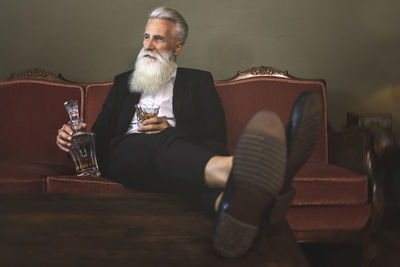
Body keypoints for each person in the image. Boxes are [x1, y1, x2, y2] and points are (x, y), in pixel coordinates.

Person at [56, 7, 322, 258]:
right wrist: (71, 140)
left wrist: (173, 129)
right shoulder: (123, 83)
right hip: (127, 156)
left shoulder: (199, 81)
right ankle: (243, 171)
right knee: (148, 144)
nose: (148, 45)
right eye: (146, 37)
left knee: (180, 164)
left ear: (178, 47)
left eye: (158, 39)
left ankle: (228, 207)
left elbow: (216, 134)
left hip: (181, 158)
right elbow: (100, 137)